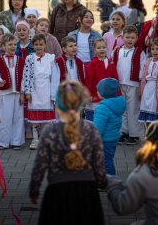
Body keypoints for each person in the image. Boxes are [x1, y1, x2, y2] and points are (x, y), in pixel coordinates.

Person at [29, 80, 107, 225]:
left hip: (57, 193)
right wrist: (102, 183)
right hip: (87, 194)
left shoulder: (49, 131)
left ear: (58, 105)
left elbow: (40, 165)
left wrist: (34, 189)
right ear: (82, 104)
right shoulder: (91, 130)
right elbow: (99, 164)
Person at [23, 34, 58, 150]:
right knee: (35, 117)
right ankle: (35, 138)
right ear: (33, 45)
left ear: (45, 45)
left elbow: (55, 76)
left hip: (47, 88)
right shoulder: (30, 58)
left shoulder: (50, 58)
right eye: (36, 45)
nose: (39, 47)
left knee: (47, 118)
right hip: (35, 88)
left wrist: (54, 92)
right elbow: (26, 75)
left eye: (41, 44)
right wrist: (27, 91)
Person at [113, 26, 146, 145]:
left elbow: (143, 70)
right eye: (127, 37)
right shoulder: (117, 51)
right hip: (120, 84)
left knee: (133, 109)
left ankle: (134, 134)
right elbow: (113, 66)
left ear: (137, 38)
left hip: (133, 84)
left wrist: (141, 86)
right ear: (122, 37)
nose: (130, 40)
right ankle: (123, 132)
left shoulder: (139, 52)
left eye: (132, 38)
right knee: (122, 109)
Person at [0, 34, 25, 150]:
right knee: (4, 117)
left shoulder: (21, 61)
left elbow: (23, 77)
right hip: (5, 93)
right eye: (9, 44)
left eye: (14, 45)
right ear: (3, 46)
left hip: (17, 93)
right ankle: (2, 142)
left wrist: (22, 93)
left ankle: (16, 142)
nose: (12, 47)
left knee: (18, 117)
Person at [93, 78, 126, 175]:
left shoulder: (103, 108)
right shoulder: (117, 104)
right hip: (113, 138)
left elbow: (98, 128)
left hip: (104, 140)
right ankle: (106, 180)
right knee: (108, 159)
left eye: (98, 90)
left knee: (105, 162)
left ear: (104, 93)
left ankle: (111, 182)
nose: (97, 92)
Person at [85, 39, 119, 122]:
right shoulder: (91, 64)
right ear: (95, 50)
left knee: (105, 118)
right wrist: (88, 95)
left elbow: (115, 79)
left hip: (108, 97)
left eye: (104, 47)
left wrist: (117, 94)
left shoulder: (111, 63)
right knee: (94, 119)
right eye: (99, 48)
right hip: (95, 97)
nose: (102, 49)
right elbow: (88, 81)